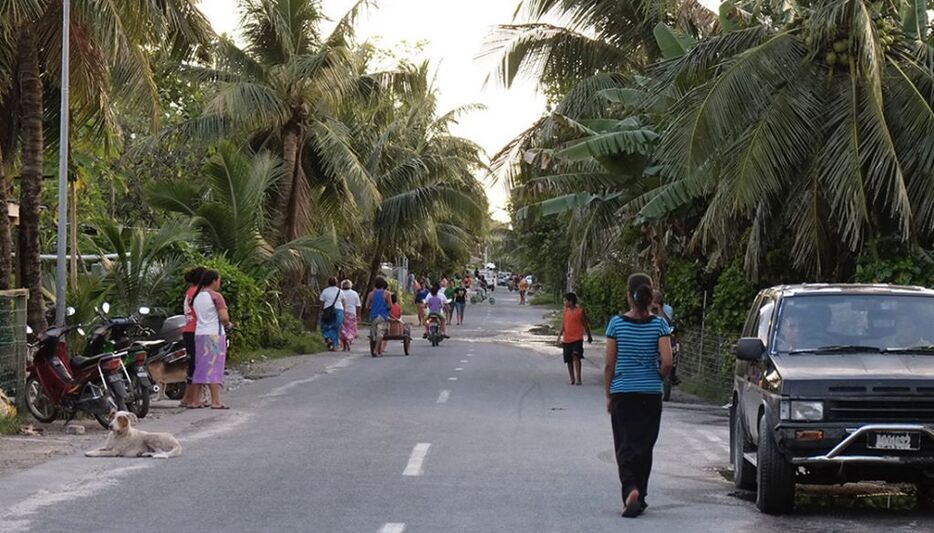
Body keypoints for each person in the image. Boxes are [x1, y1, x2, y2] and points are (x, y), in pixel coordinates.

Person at [604, 273, 673, 518]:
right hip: (650, 394)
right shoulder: (659, 324)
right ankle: (640, 496)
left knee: (624, 445)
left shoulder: (616, 324)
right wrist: (657, 377)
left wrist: (609, 394)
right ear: (650, 295)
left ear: (628, 295)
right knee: (644, 445)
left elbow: (609, 365)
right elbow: (667, 362)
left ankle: (630, 490)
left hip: (623, 392)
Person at [191, 269, 234, 410]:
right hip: (214, 335)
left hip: (200, 334)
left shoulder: (196, 297)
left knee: (201, 366)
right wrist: (228, 324)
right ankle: (216, 401)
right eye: (219, 280)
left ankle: (195, 400)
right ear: (214, 281)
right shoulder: (216, 296)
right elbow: (224, 317)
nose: (219, 283)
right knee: (214, 367)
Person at [180, 266, 206, 408]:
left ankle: (187, 397)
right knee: (198, 365)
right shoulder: (198, 293)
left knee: (192, 364)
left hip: (189, 329)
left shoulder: (189, 291)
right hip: (197, 331)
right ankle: (193, 398)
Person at [558, 292, 593, 385]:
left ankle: (578, 378)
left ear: (571, 301)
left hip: (577, 338)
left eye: (565, 300)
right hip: (567, 338)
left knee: (576, 357)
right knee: (568, 360)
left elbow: (585, 325)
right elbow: (563, 324)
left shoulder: (580, 311)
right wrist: (559, 336)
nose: (564, 302)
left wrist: (589, 336)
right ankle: (572, 378)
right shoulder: (565, 310)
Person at [365, 276, 393, 356]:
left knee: (374, 333)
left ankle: (378, 350)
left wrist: (371, 310)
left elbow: (367, 307)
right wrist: (385, 308)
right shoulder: (387, 294)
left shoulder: (370, 294)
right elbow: (390, 306)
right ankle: (376, 349)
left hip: (373, 316)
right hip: (382, 316)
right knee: (380, 333)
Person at [319, 277, 345, 352]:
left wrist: (322, 311)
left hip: (327, 311)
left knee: (324, 326)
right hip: (339, 310)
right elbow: (344, 301)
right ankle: (335, 345)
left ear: (328, 283)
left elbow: (322, 302)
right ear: (337, 283)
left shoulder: (325, 291)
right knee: (336, 328)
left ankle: (328, 338)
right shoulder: (340, 291)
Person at [339, 280, 361, 352]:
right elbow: (358, 306)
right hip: (352, 313)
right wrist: (358, 315)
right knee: (351, 329)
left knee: (342, 329)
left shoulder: (340, 292)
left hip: (342, 312)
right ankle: (349, 340)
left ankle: (345, 346)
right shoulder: (354, 293)